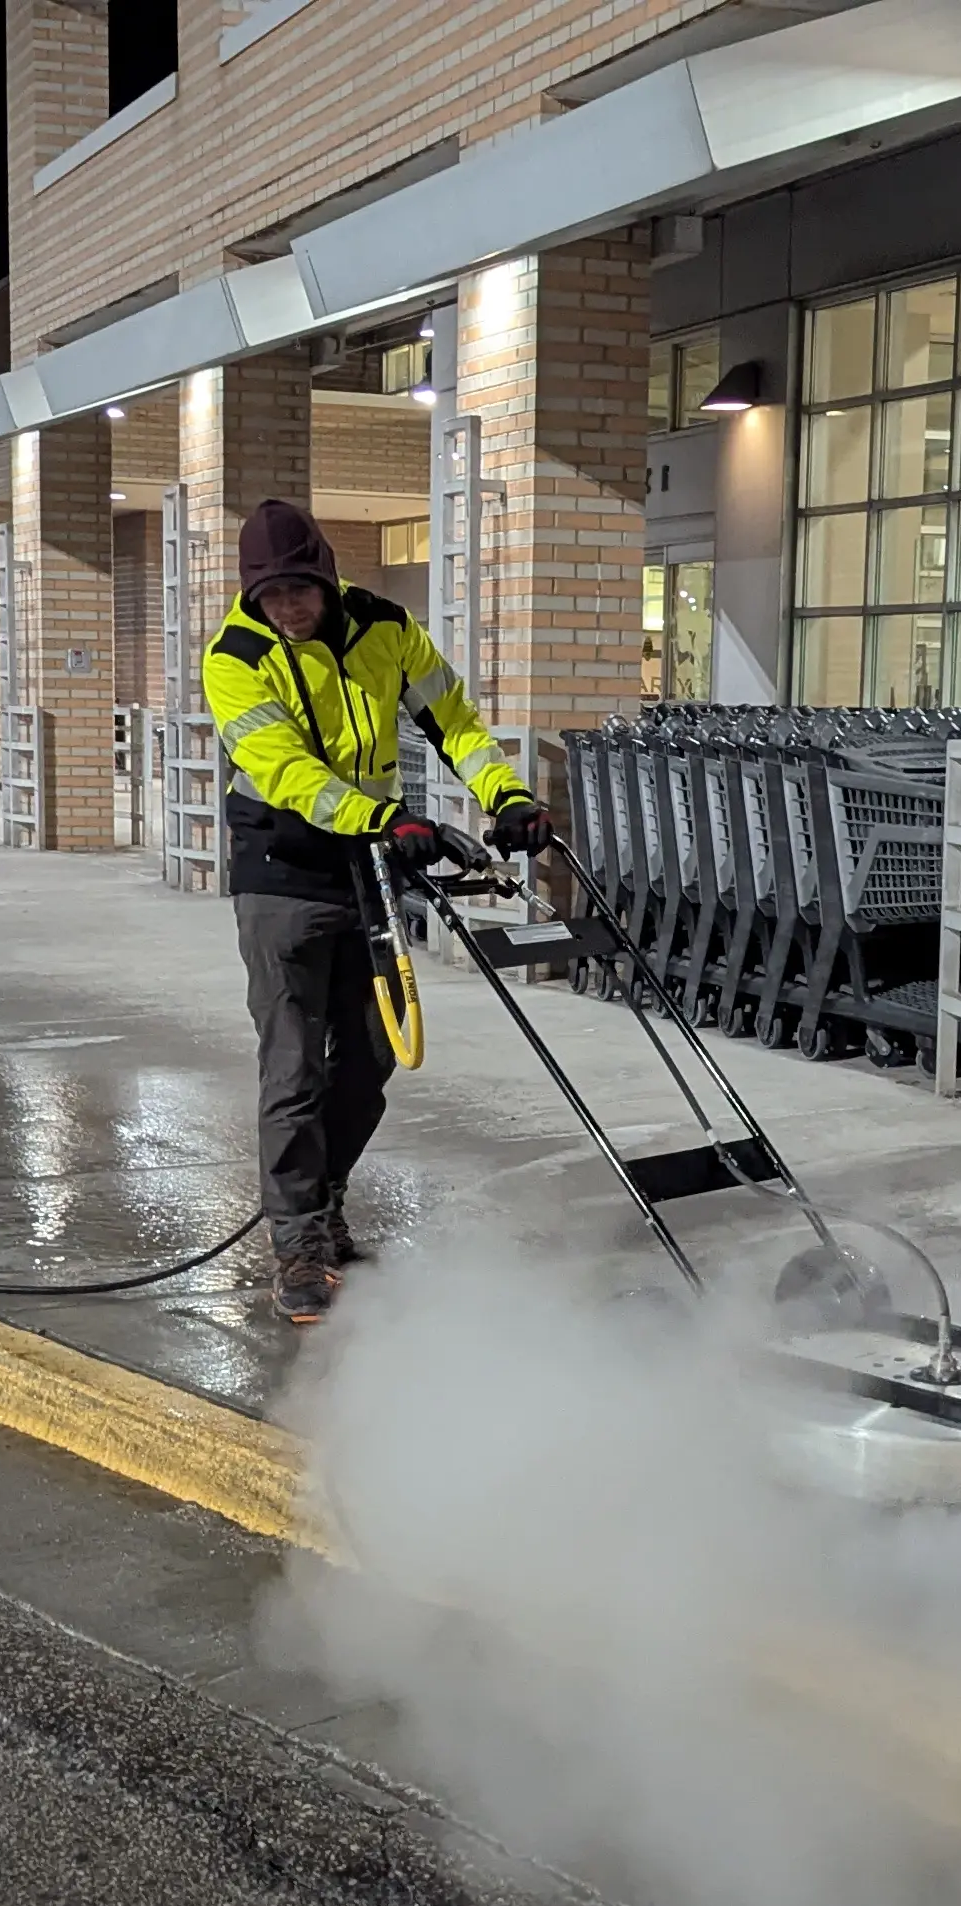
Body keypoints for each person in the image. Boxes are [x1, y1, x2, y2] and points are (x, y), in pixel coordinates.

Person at [204, 499, 552, 1324]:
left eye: (298, 590)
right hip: (282, 872)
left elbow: (453, 721)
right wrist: (383, 819)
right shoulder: (237, 656)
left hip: (367, 869)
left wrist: (505, 793)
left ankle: (321, 1203)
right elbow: (283, 770)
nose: (286, 608)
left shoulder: (384, 627)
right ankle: (296, 1248)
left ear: (325, 575)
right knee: (293, 1065)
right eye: (270, 595)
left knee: (369, 1057)